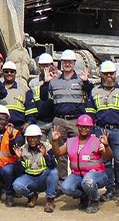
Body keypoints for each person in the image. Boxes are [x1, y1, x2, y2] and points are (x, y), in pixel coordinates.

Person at [86, 60, 119, 199]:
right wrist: (93, 131)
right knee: (106, 162)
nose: (109, 76)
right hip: (102, 130)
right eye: (106, 73)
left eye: (112, 73)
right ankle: (110, 190)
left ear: (115, 74)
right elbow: (90, 112)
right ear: (101, 75)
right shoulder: (95, 91)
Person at [39, 49, 92, 179]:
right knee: (59, 152)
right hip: (59, 121)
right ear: (61, 63)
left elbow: (90, 93)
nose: (67, 64)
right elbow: (43, 97)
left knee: (79, 151)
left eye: (70, 62)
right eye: (65, 62)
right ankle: (62, 181)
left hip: (76, 122)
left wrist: (86, 82)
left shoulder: (81, 80)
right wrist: (46, 83)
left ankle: (79, 179)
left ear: (74, 63)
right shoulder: (54, 81)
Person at [60, 114, 111, 213]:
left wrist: (107, 145)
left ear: (91, 128)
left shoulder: (97, 142)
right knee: (66, 188)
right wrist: (54, 141)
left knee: (88, 181)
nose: (84, 129)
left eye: (87, 127)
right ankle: (85, 196)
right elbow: (58, 152)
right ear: (77, 127)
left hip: (97, 175)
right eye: (81, 126)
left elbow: (108, 157)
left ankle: (94, 200)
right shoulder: (71, 142)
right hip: (77, 175)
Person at [12, 124, 64, 213]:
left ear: (40, 137)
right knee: (17, 185)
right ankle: (32, 196)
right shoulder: (23, 149)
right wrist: (19, 159)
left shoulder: (47, 147)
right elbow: (19, 172)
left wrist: (45, 155)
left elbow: (53, 165)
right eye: (30, 138)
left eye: (35, 137)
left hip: (43, 179)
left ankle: (50, 200)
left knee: (53, 172)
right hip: (30, 179)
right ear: (26, 138)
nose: (32, 140)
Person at [0, 60, 33, 130]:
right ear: (3, 73)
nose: (9, 73)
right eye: (6, 71)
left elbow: (31, 110)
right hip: (0, 128)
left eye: (12, 71)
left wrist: (28, 123)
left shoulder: (24, 89)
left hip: (18, 127)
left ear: (15, 73)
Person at [26, 53, 55, 134]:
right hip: (39, 120)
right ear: (39, 66)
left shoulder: (57, 80)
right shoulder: (33, 82)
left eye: (47, 65)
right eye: (43, 66)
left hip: (53, 120)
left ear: (52, 65)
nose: (45, 68)